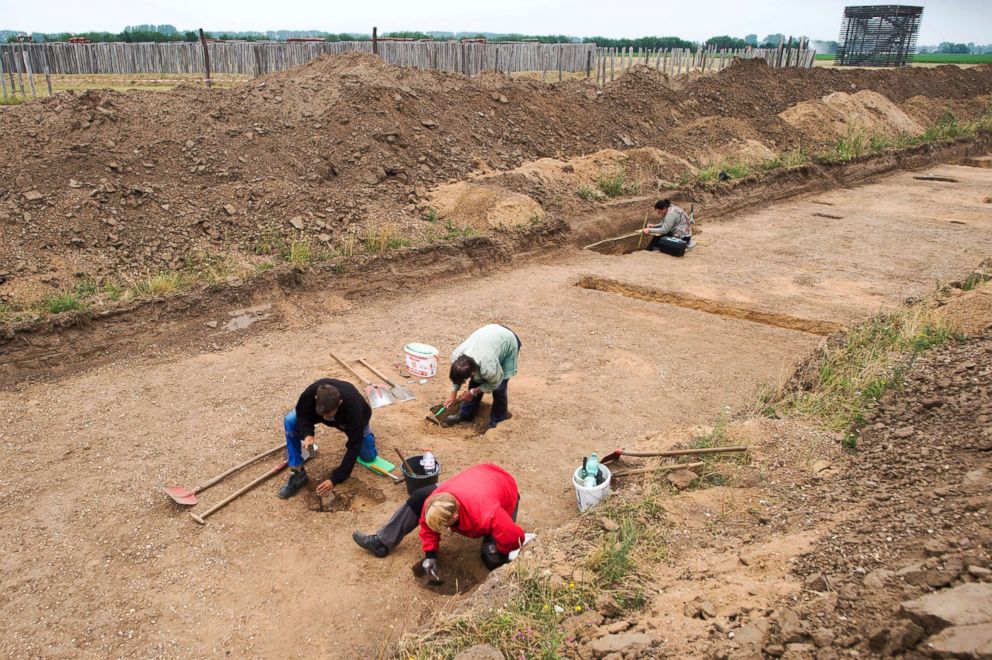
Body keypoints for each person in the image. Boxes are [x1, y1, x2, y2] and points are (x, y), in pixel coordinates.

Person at [352, 463, 524, 573]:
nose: (441, 530)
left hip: (502, 486)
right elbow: (428, 525)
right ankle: (382, 542)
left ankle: (491, 545)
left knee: (492, 559)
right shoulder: (435, 500)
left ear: (456, 515)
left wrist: (499, 547)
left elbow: (515, 538)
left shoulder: (488, 514)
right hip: (471, 481)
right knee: (418, 496)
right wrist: (430, 554)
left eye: (443, 525)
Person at [277, 378, 377, 499]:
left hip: (354, 421)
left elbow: (354, 446)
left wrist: (335, 479)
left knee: (368, 457)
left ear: (339, 403)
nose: (325, 417)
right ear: (316, 399)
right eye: (322, 413)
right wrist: (308, 434)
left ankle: (368, 436)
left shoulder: (353, 407)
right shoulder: (310, 393)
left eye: (329, 413)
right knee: (290, 420)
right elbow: (302, 413)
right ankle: (298, 473)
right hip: (333, 413)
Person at [442, 324, 521, 429]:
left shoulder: (488, 367)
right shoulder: (456, 357)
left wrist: (472, 392)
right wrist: (453, 394)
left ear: (473, 372)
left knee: (499, 389)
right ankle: (465, 415)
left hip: (508, 341)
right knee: (475, 382)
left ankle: (497, 421)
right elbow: (457, 377)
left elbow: (494, 383)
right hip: (489, 338)